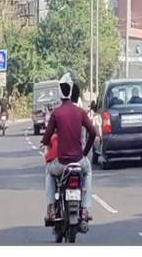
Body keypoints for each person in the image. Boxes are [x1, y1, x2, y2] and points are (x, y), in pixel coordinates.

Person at [41, 72, 97, 226]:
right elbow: (93, 132)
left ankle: (51, 207)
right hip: (79, 161)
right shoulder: (80, 112)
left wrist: (44, 142)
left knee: (48, 171)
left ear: (60, 94)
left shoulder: (56, 113)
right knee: (89, 171)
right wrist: (85, 153)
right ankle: (85, 208)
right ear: (72, 92)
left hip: (61, 164)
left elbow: (46, 138)